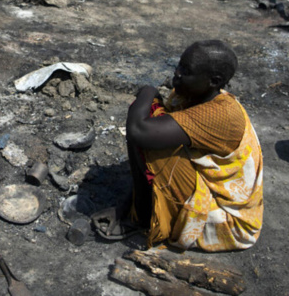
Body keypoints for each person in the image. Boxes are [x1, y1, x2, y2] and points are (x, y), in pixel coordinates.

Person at [92, 40, 264, 251]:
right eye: (179, 65)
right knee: (154, 123)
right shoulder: (188, 96)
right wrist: (124, 206)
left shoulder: (222, 113)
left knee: (153, 132)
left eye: (186, 71)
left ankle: (144, 219)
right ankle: (140, 210)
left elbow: (138, 132)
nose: (177, 73)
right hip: (207, 189)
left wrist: (148, 90)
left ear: (214, 81)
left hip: (229, 220)